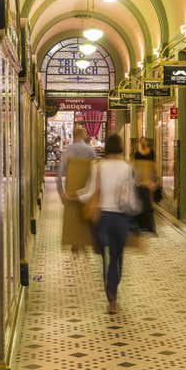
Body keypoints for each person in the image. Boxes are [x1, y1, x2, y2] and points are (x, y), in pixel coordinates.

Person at [76, 134, 136, 314]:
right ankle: (113, 293)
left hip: (102, 218)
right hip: (121, 219)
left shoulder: (99, 167)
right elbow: (131, 196)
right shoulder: (128, 167)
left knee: (107, 257)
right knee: (118, 257)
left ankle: (111, 295)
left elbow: (90, 192)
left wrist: (75, 196)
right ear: (120, 147)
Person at [56, 125, 97, 253]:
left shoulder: (67, 151)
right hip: (86, 187)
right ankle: (85, 240)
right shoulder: (90, 151)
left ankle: (75, 241)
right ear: (83, 135)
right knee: (86, 214)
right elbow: (96, 171)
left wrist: (61, 192)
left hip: (71, 189)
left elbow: (59, 174)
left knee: (73, 215)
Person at [133, 137, 158, 233]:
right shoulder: (137, 153)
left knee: (149, 201)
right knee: (140, 199)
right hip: (140, 178)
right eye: (142, 141)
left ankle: (149, 224)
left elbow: (154, 165)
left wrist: (155, 178)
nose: (143, 143)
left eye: (145, 141)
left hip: (149, 177)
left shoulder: (151, 152)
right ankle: (141, 223)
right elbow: (135, 166)